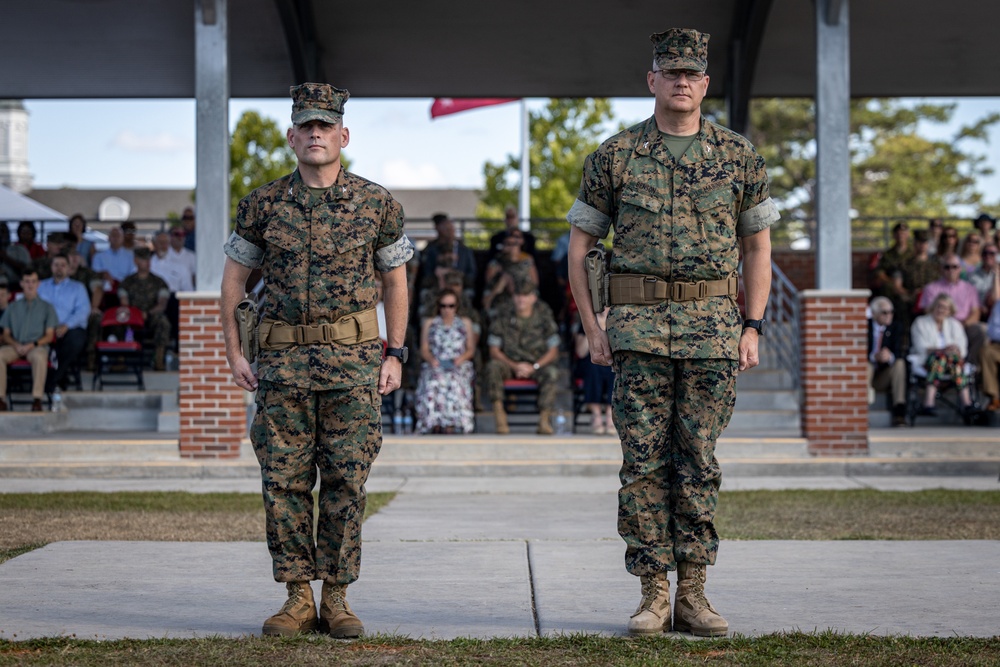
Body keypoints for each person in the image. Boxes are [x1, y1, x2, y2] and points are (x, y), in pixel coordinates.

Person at [566, 28, 777, 638]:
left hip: (713, 330)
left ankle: (694, 594)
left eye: (692, 74)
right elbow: (580, 247)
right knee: (643, 464)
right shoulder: (616, 155)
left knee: (699, 462)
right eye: (670, 72)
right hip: (636, 333)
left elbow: (757, 246)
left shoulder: (739, 156)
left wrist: (754, 324)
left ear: (705, 84)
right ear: (651, 80)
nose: (681, 82)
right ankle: (653, 594)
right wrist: (591, 325)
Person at [221, 83, 412, 639]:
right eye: (306, 126)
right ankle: (297, 598)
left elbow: (395, 281)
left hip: (353, 365)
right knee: (284, 482)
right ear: (291, 137)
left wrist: (395, 352)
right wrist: (235, 350)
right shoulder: (262, 204)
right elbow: (234, 281)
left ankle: (338, 597)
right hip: (281, 367)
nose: (315, 134)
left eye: (325, 126)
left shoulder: (378, 204)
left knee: (347, 480)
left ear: (343, 136)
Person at [484, 280, 561, 435]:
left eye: (526, 295)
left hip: (536, 364)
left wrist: (534, 367)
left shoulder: (544, 317)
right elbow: (493, 350)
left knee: (551, 372)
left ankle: (544, 421)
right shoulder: (503, 317)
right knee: (493, 366)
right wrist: (515, 366)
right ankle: (500, 418)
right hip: (509, 364)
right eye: (518, 295)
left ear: (533, 298)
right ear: (513, 297)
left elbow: (553, 351)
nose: (521, 299)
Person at [415, 288, 475, 434]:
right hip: (436, 362)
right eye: (443, 306)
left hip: (458, 363)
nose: (447, 309)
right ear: (438, 306)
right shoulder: (430, 323)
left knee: (455, 382)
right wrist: (431, 359)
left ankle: (455, 423)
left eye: (451, 306)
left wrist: (461, 359)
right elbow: (424, 349)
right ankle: (433, 422)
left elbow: (471, 349)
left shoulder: (465, 323)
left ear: (457, 306)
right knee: (434, 381)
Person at [0, 270, 58, 412]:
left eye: (33, 281)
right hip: (16, 345)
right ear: (21, 284)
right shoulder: (12, 307)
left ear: (38, 284)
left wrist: (33, 344)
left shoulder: (47, 307)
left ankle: (37, 399)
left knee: (39, 357)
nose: (30, 285)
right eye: (27, 281)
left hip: (36, 346)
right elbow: (5, 334)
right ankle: (1, 399)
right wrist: (16, 344)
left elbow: (49, 335)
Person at [910, 293, 973, 415]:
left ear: (950, 311)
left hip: (952, 363)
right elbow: (920, 347)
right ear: (933, 307)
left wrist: (954, 350)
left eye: (945, 308)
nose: (941, 310)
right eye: (939, 306)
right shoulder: (920, 323)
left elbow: (962, 349)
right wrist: (943, 350)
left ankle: (929, 402)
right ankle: (967, 402)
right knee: (940, 357)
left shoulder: (955, 325)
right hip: (927, 361)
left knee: (950, 359)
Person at [918, 253, 985, 365]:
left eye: (955, 267)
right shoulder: (931, 288)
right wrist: (946, 324)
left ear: (960, 269)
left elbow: (976, 312)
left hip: (964, 325)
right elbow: (927, 311)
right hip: (938, 325)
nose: (951, 270)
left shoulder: (970, 288)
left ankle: (970, 366)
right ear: (941, 269)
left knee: (981, 331)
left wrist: (961, 325)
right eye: (947, 267)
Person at [37, 253, 90, 392]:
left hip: (70, 328)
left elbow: (83, 311)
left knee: (74, 342)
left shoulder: (78, 287)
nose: (59, 268)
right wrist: (48, 327)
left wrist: (66, 325)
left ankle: (51, 380)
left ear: (68, 268)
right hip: (45, 328)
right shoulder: (41, 286)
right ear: (51, 267)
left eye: (63, 265)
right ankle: (60, 378)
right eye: (56, 265)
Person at [118, 247, 171, 371]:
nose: (146, 262)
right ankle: (120, 360)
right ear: (136, 261)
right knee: (119, 320)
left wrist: (148, 313)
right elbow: (124, 303)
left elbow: (162, 304)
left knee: (163, 322)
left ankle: (158, 360)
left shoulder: (159, 282)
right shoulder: (127, 282)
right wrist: (136, 315)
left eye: (148, 259)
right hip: (131, 318)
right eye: (143, 259)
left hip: (151, 317)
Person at [866, 296, 908, 427]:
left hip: (884, 376)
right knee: (866, 365)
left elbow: (901, 351)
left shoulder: (896, 327)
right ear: (873, 313)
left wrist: (890, 357)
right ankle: (862, 411)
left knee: (899, 364)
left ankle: (899, 412)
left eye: (891, 312)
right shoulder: (864, 326)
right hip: (867, 374)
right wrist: (874, 356)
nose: (889, 315)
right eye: (884, 312)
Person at [574, 308, 615, 435]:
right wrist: (591, 328)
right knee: (593, 367)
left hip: (611, 364)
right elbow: (580, 352)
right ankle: (596, 415)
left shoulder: (616, 320)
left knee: (613, 369)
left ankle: (610, 415)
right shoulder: (587, 321)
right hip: (591, 365)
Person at [416, 213, 477, 299]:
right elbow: (426, 271)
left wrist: (457, 276)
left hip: (460, 285)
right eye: (446, 229)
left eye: (451, 229)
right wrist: (437, 272)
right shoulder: (432, 250)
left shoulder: (464, 250)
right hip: (436, 284)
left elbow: (472, 272)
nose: (449, 232)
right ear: (439, 231)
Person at [482, 229, 539, 316]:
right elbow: (488, 284)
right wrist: (500, 285)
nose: (511, 247)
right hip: (502, 300)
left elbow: (535, 282)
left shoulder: (527, 260)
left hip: (523, 298)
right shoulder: (496, 262)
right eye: (508, 244)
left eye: (514, 244)